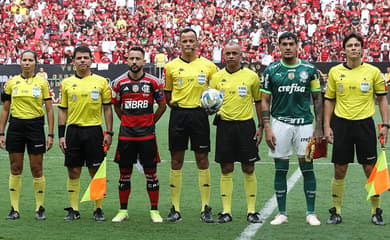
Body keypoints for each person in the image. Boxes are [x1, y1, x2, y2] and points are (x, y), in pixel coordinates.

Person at [324, 32, 389, 226]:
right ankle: (336, 211)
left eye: (356, 45)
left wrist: (385, 124)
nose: (353, 48)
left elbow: (382, 99)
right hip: (341, 125)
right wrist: (327, 126)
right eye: (350, 45)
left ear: (362, 49)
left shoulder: (373, 72)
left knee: (370, 169)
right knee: (340, 169)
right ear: (344, 50)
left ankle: (376, 211)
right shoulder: (335, 72)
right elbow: (329, 101)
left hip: (365, 125)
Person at [261, 32, 323, 226]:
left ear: (298, 46)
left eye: (291, 44)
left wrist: (319, 127)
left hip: (304, 124)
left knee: (307, 167)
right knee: (280, 169)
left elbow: (317, 98)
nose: (288, 47)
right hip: (279, 124)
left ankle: (311, 213)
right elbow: (264, 101)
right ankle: (282, 213)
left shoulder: (309, 70)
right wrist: (268, 128)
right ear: (278, 47)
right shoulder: (271, 71)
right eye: (284, 44)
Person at [164, 28, 218, 223]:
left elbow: (217, 92)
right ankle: (175, 208)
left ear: (197, 43)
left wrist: (213, 108)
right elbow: (167, 94)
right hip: (178, 115)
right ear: (179, 43)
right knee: (176, 160)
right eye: (184, 41)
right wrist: (175, 105)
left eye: (191, 41)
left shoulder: (209, 66)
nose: (188, 44)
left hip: (199, 115)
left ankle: (205, 207)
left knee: (202, 159)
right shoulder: (170, 67)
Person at [111, 46, 167, 223]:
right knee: (124, 174)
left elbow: (163, 106)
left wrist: (150, 122)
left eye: (137, 59)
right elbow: (117, 106)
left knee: (152, 173)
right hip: (126, 135)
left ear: (144, 61)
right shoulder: (119, 83)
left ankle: (154, 211)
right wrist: (126, 121)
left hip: (147, 136)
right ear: (127, 61)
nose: (134, 62)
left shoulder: (154, 82)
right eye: (131, 58)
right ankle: (123, 210)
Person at [58, 45, 113, 221]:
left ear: (91, 60)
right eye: (79, 58)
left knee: (95, 171)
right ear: (73, 61)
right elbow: (62, 110)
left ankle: (98, 209)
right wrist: (60, 135)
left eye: (85, 57)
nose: (82, 60)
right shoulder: (66, 83)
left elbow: (107, 109)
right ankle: (74, 209)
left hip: (94, 131)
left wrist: (109, 132)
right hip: (73, 131)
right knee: (73, 171)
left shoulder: (101, 82)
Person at [210, 41, 263, 223]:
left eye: (235, 53)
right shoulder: (217, 78)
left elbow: (258, 101)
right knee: (226, 168)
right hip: (225, 126)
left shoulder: (251, 76)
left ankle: (251, 211)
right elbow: (211, 102)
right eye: (228, 53)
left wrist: (261, 125)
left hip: (246, 126)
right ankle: (226, 212)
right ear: (224, 56)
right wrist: (210, 109)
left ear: (241, 55)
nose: (231, 56)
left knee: (248, 167)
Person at [0, 50, 54, 220]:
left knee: (36, 168)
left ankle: (39, 208)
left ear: (35, 63)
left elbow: (50, 109)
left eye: (30, 60)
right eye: (24, 60)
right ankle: (14, 209)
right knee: (15, 168)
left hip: (35, 127)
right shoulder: (11, 83)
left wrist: (51, 134)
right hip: (15, 127)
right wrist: (1, 132)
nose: (27, 63)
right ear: (20, 62)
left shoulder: (42, 83)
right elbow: (6, 109)